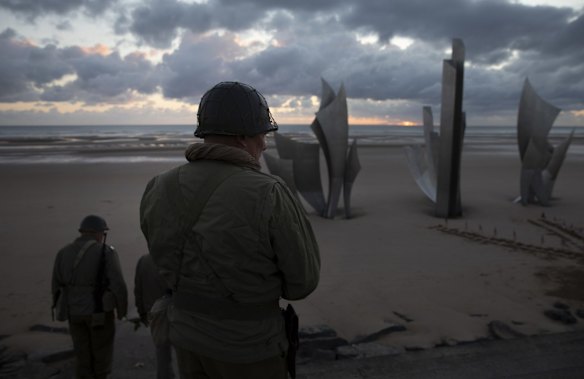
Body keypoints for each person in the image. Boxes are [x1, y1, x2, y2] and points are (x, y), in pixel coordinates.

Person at [140, 81, 320, 379]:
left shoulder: (158, 186)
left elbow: (161, 259)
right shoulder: (269, 191)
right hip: (249, 348)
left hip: (186, 338)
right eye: (263, 133)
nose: (264, 143)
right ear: (242, 137)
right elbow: (302, 283)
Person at [51, 215, 128, 379]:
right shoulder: (105, 252)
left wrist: (60, 310)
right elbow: (118, 285)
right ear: (98, 233)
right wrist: (122, 311)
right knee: (102, 356)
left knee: (82, 357)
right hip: (99, 312)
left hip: (74, 313)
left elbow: (56, 285)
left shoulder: (63, 253)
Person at [134, 253, 175, 379]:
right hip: (179, 312)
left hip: (155, 314)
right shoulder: (177, 257)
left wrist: (142, 313)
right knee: (187, 356)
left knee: (163, 355)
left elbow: (138, 289)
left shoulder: (144, 260)